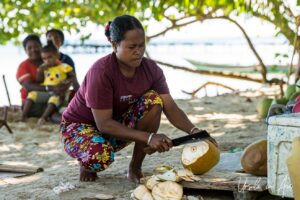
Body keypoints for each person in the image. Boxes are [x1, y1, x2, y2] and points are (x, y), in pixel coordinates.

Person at [60, 15, 218, 183]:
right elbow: (103, 124)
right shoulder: (101, 72)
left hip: (116, 125)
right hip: (79, 127)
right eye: (132, 47)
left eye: (142, 45)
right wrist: (149, 138)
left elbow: (170, 107)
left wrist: (195, 133)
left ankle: (135, 167)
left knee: (153, 100)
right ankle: (86, 163)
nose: (138, 51)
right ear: (114, 45)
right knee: (100, 157)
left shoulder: (151, 69)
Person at [21, 42, 75, 124]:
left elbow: (72, 76)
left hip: (58, 92)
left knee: (53, 99)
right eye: (44, 59)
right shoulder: (45, 68)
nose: (47, 60)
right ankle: (23, 116)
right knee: (32, 94)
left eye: (50, 57)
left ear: (57, 55)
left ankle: (43, 118)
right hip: (46, 91)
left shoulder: (64, 66)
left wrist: (66, 81)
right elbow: (39, 80)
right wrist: (40, 71)